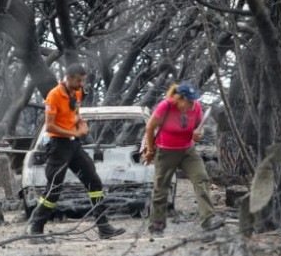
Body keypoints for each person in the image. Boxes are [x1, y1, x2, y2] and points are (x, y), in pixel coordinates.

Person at [28, 63, 126, 242]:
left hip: (74, 146)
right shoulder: (54, 95)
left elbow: (75, 114)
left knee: (94, 182)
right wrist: (74, 132)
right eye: (79, 81)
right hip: (58, 146)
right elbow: (50, 126)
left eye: (83, 81)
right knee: (54, 189)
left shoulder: (77, 92)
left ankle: (103, 227)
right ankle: (36, 229)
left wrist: (81, 124)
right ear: (69, 77)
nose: (81, 84)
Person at [142, 82, 224, 235]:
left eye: (194, 100)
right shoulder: (165, 106)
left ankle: (208, 220)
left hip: (187, 150)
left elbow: (199, 128)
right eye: (190, 101)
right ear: (179, 99)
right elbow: (150, 127)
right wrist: (151, 150)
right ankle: (157, 224)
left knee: (201, 179)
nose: (193, 104)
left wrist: (199, 134)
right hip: (166, 151)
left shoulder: (197, 107)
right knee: (161, 188)